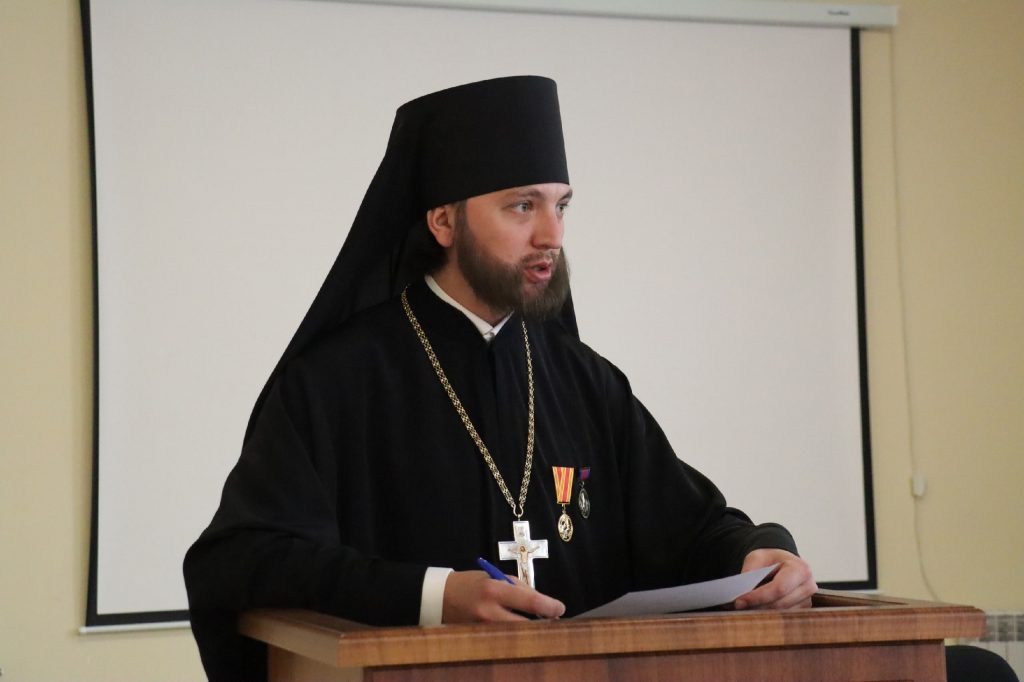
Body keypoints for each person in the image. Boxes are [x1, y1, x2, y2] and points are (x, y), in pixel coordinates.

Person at [184, 76, 816, 681]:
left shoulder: (585, 381)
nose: (552, 235)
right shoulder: (334, 383)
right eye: (522, 206)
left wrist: (760, 554)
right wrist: (434, 596)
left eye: (561, 206)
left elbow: (689, 528)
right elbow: (244, 558)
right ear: (443, 222)